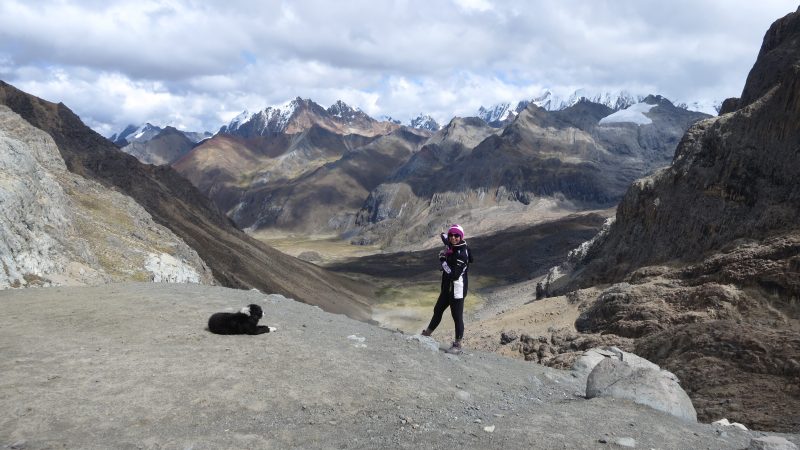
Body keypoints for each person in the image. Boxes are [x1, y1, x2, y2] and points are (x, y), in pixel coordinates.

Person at [421, 224, 471, 354]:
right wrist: (443, 234)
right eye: (451, 235)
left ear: (461, 237)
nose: (453, 238)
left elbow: (454, 275)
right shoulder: (451, 244)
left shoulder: (461, 254)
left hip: (457, 290)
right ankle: (427, 333)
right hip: (447, 288)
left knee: (457, 317)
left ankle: (457, 344)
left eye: (456, 236)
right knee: (438, 309)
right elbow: (446, 239)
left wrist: (443, 260)